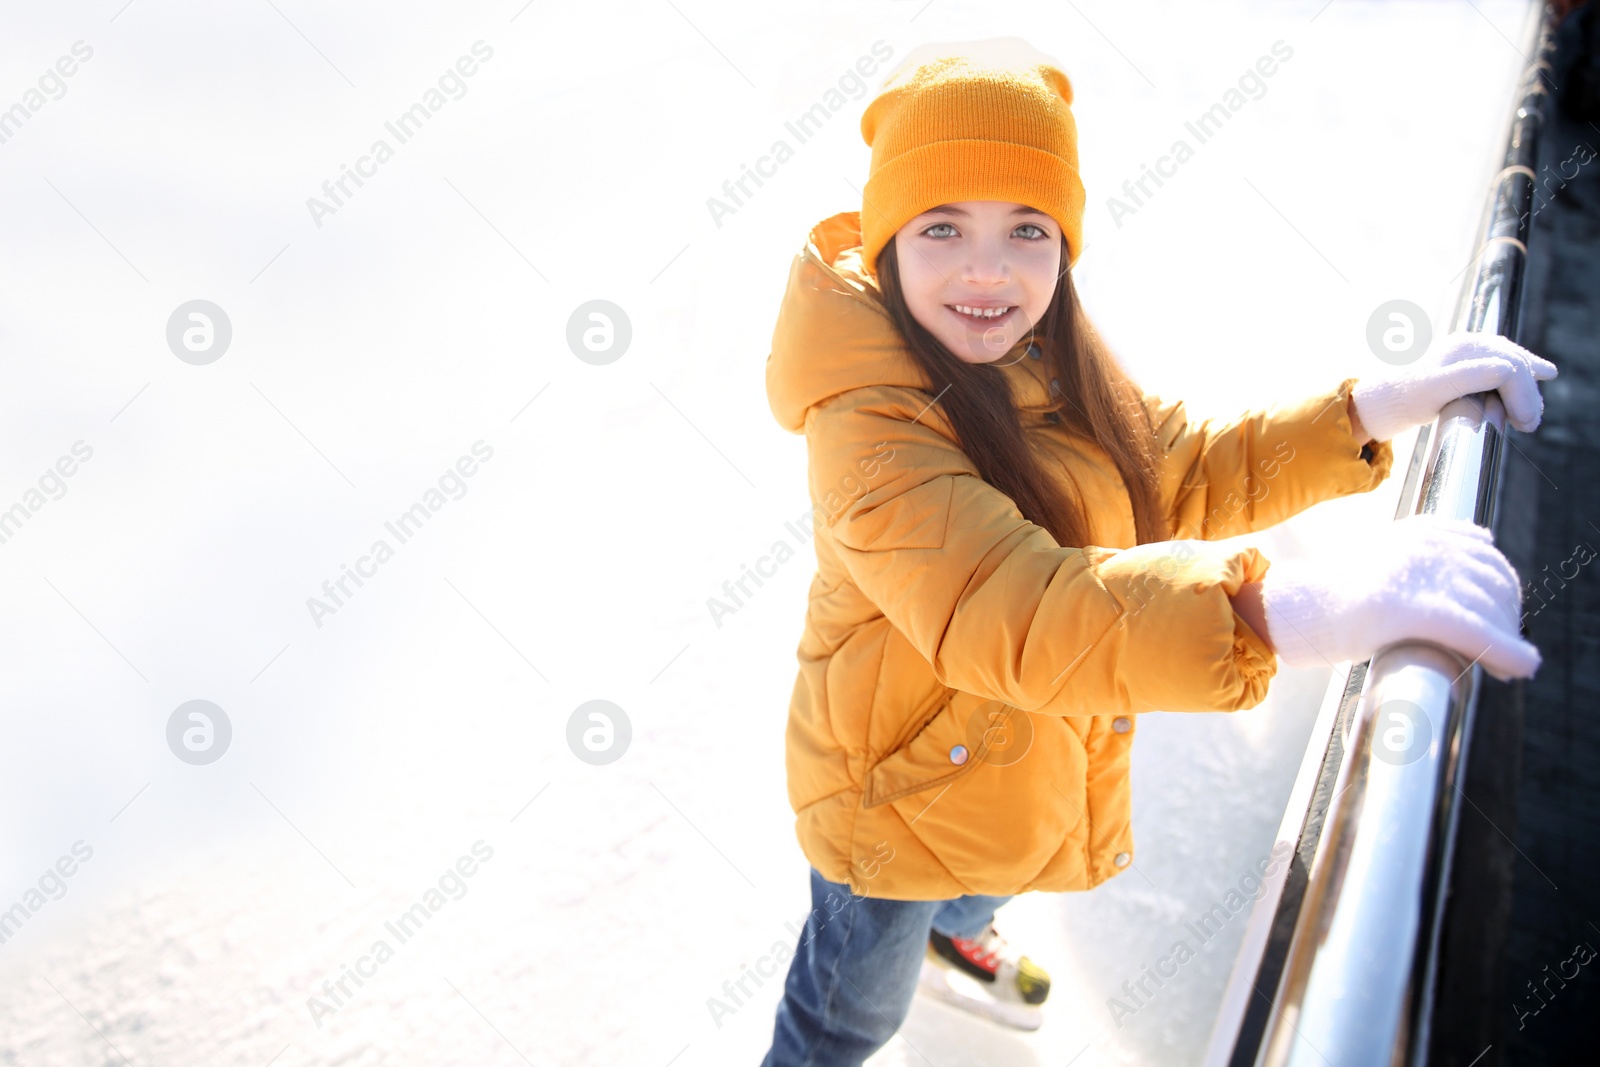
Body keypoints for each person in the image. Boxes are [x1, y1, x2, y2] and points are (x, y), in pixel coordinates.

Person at [758, 39, 1554, 1066]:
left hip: (1011, 751)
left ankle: (957, 936)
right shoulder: (865, 424)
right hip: (891, 789)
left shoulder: (1047, 357)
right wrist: (1279, 611)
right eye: (942, 225)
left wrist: (1370, 408)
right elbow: (1017, 606)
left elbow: (1180, 467)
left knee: (987, 869)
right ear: (888, 240)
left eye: (1026, 227)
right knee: (849, 1007)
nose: (987, 268)